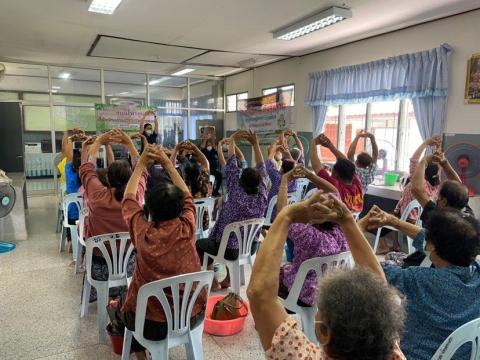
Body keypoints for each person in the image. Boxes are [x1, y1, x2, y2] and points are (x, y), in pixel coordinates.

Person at [247, 191, 406, 360]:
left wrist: (287, 214)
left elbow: (260, 294)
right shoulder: (392, 352)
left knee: (283, 273)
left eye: (320, 309)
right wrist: (347, 220)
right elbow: (378, 288)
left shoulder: (303, 356)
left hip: (299, 289)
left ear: (325, 334)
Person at [121, 145, 205, 360]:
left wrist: (140, 164)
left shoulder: (143, 233)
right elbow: (187, 195)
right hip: (192, 316)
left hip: (151, 326)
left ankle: (142, 355)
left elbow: (129, 199)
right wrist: (168, 163)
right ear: (181, 209)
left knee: (123, 304)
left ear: (149, 210)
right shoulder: (188, 226)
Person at [362, 206, 480, 359]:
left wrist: (353, 225)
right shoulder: (476, 273)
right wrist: (394, 221)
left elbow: (371, 269)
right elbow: (428, 239)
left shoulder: (419, 280)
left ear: (431, 245)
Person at [196, 129, 268, 290]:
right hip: (250, 247)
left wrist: (232, 140)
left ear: (240, 181)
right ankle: (228, 278)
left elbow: (231, 166)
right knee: (228, 239)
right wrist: (256, 144)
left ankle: (214, 282)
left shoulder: (236, 192)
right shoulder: (263, 195)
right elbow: (262, 168)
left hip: (229, 249)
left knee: (201, 244)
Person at [79, 129, 145, 300]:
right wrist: (130, 144)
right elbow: (142, 169)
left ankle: (97, 296)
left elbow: (86, 168)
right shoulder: (135, 197)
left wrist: (99, 141)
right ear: (131, 178)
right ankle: (124, 294)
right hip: (129, 267)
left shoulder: (96, 195)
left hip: (98, 269)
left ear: (107, 179)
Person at [277, 166, 347, 306]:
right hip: (334, 289)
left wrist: (284, 181)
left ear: (316, 214)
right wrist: (310, 175)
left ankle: (274, 316)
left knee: (272, 273)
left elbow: (282, 215)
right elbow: (334, 191)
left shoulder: (309, 235)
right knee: (286, 268)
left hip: (306, 293)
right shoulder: (342, 229)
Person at [375, 136, 442, 254]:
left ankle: (383, 245)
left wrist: (426, 143)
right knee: (395, 211)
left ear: (423, 171)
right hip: (418, 220)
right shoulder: (435, 187)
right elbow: (439, 167)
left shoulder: (417, 183)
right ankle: (396, 244)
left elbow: (414, 160)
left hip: (407, 219)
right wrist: (438, 150)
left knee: (378, 218)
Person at [411, 151, 472, 222]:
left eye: (438, 197)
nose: (436, 199)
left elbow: (416, 190)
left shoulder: (440, 217)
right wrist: (444, 163)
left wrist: (423, 161)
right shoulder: (466, 211)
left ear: (444, 202)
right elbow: (459, 186)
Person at [311, 133, 363, 213]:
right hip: (352, 223)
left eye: (332, 171)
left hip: (335, 224)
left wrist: (313, 142)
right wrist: (330, 145)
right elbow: (346, 162)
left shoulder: (335, 186)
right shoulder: (358, 185)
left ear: (336, 175)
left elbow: (316, 166)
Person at [265, 139, 296, 221]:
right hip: (287, 214)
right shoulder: (294, 180)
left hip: (271, 214)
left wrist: (274, 146)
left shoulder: (277, 177)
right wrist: (287, 153)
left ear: (281, 169)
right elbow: (294, 167)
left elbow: (268, 162)